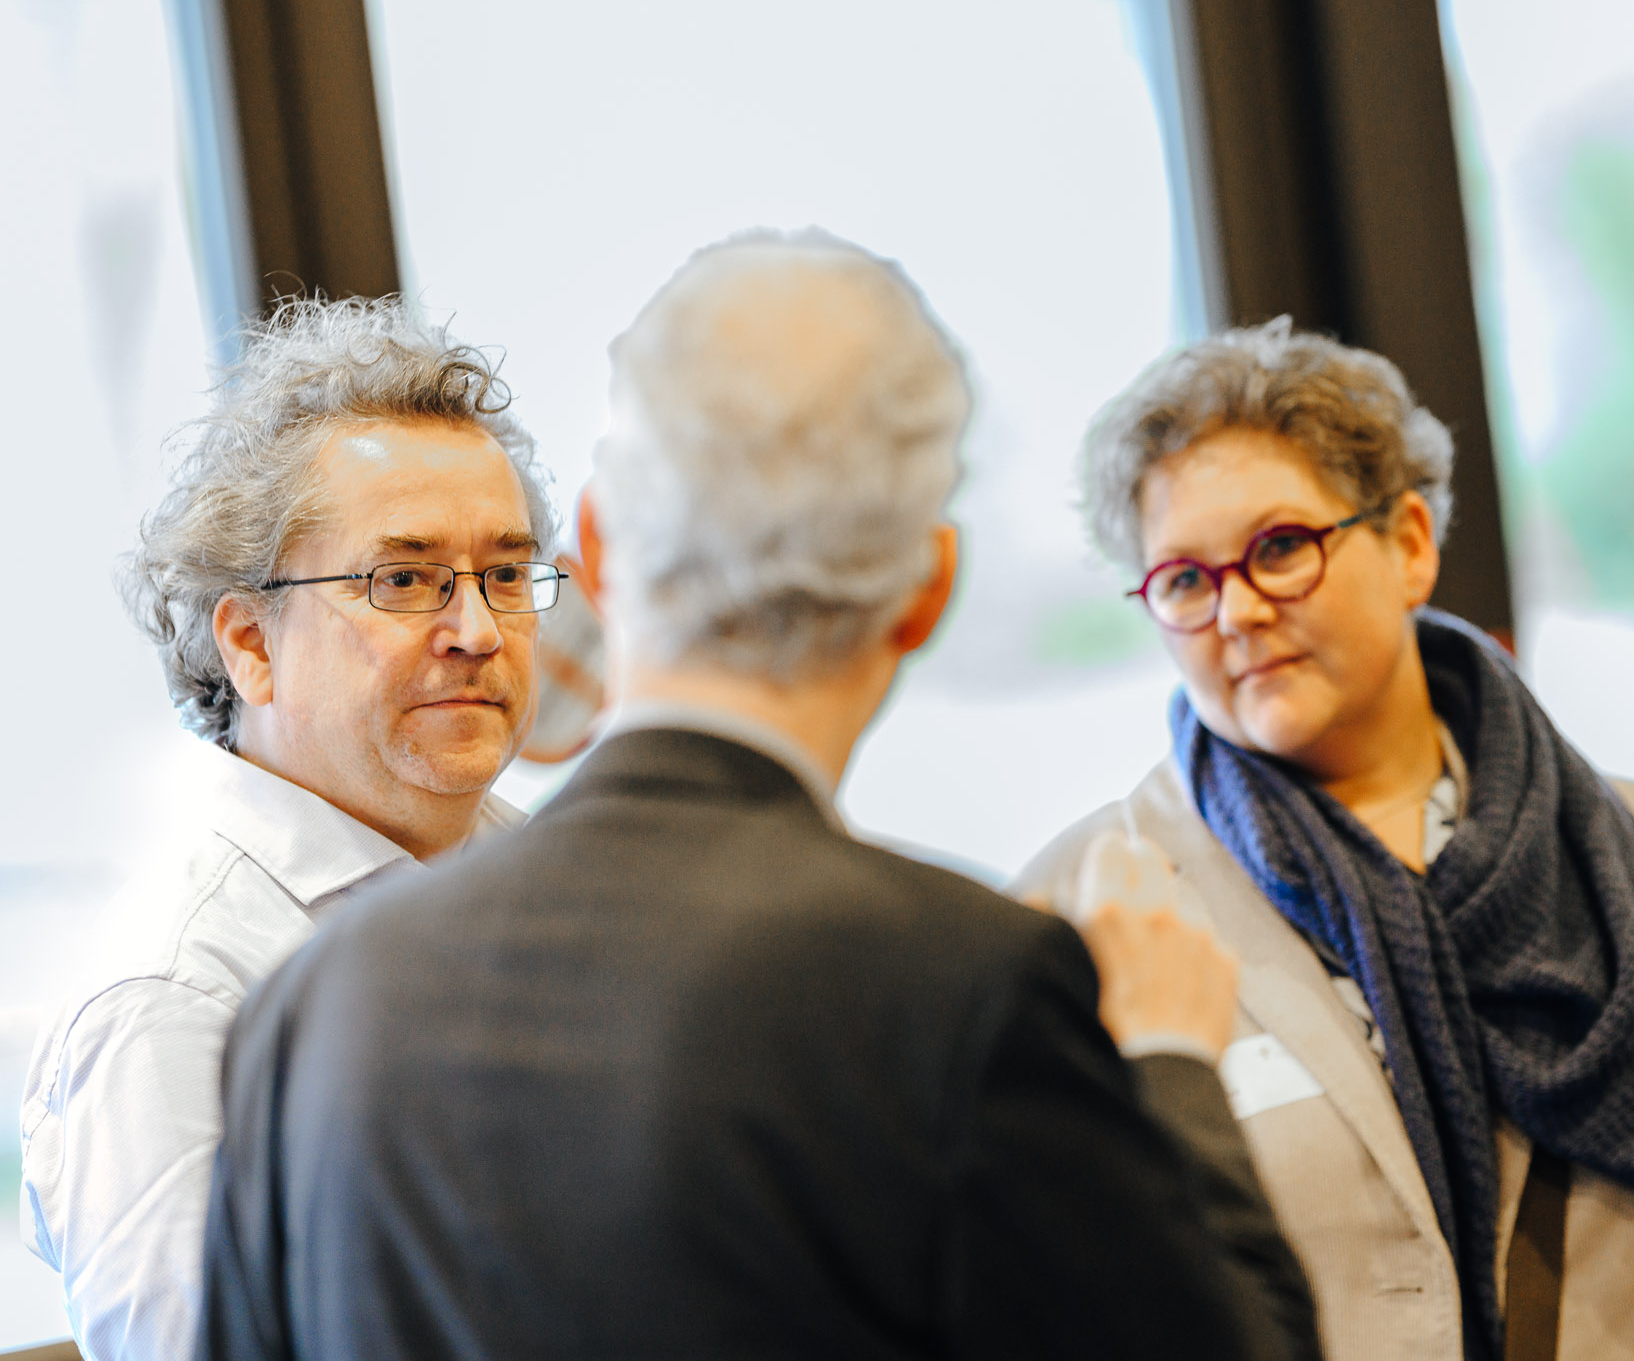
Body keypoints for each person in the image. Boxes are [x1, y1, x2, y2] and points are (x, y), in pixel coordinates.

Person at [197, 234, 1321, 1361]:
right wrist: (1169, 1063)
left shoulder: (308, 1012)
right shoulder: (967, 988)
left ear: (598, 549)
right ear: (928, 588)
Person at [1015, 318, 1634, 1361]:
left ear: (1410, 545)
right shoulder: (1091, 907)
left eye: (1280, 547)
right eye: (1185, 581)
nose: (1236, 609)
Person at [19, 296, 561, 1361]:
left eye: (504, 574)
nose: (476, 630)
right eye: (403, 579)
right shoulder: (174, 994)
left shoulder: (561, 885)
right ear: (250, 644)